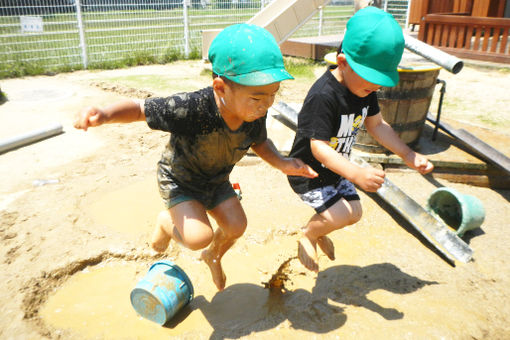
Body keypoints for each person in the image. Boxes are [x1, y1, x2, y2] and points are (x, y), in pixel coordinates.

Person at [74, 23, 318, 290]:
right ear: (221, 88)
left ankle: (213, 256)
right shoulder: (192, 108)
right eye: (258, 97)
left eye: (273, 95)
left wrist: (283, 163)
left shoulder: (254, 113)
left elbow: (260, 143)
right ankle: (167, 224)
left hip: (215, 180)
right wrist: (106, 115)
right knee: (198, 236)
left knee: (237, 226)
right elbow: (139, 108)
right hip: (180, 181)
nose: (266, 105)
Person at [287, 7, 434, 272]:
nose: (375, 89)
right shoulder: (323, 96)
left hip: (337, 169)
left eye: (379, 84)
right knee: (341, 214)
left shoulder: (363, 89)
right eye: (371, 84)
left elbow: (377, 125)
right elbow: (318, 148)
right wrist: (356, 174)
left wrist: (407, 154)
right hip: (308, 173)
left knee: (354, 213)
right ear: (342, 62)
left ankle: (318, 231)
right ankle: (307, 234)